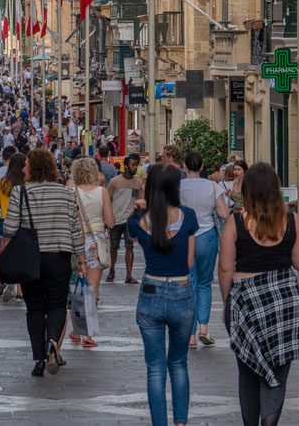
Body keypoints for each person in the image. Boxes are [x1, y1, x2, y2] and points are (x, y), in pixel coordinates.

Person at [219, 163, 299, 426]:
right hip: (284, 302)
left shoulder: (235, 221)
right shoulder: (291, 219)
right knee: (279, 367)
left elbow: (225, 267)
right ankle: (269, 423)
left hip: (245, 301)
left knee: (247, 369)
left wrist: (227, 303)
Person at [3, 148, 85, 377]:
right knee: (58, 304)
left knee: (35, 308)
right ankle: (52, 343)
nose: (23, 169)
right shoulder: (67, 194)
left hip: (31, 258)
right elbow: (75, 230)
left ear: (35, 167)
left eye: (26, 165)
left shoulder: (21, 193)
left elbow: (9, 228)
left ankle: (39, 357)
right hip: (59, 256)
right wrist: (81, 259)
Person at [128, 164, 197, 426]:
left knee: (155, 367)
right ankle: (181, 422)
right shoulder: (188, 216)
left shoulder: (140, 221)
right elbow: (190, 262)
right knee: (178, 363)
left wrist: (139, 207)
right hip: (181, 290)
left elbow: (130, 224)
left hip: (150, 291)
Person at [179, 151, 230, 349]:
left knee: (188, 284)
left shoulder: (179, 187)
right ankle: (203, 327)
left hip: (185, 238)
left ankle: (190, 335)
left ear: (185, 166)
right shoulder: (212, 186)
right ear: (201, 167)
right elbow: (223, 213)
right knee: (205, 283)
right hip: (207, 236)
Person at [68, 157, 114, 348]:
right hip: (96, 241)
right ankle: (87, 334)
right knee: (93, 288)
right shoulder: (102, 192)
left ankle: (76, 329)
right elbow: (110, 222)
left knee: (76, 286)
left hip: (76, 242)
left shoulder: (70, 191)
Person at [0, 153, 26, 302]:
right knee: (21, 254)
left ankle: (5, 280)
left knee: (5, 252)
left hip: (5, 220)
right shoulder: (26, 183)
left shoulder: (2, 182)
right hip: (22, 222)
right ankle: (20, 289)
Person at [107, 153, 143, 284]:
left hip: (130, 220)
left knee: (130, 247)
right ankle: (111, 270)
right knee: (113, 248)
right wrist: (108, 218)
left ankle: (129, 275)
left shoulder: (138, 183)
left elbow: (140, 201)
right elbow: (107, 199)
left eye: (136, 165)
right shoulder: (114, 182)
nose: (135, 167)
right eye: (133, 165)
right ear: (126, 166)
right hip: (115, 219)